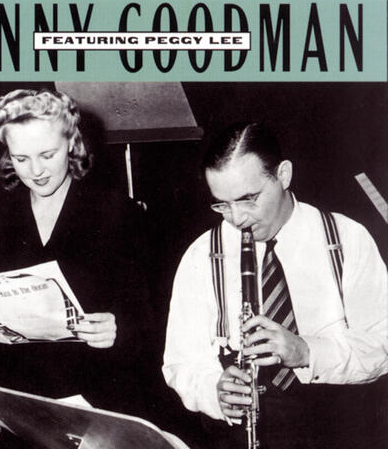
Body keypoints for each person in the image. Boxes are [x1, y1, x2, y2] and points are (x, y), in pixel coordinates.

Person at [0, 89, 154, 418]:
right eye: (21, 159)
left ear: (72, 143)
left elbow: (152, 319)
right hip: (19, 396)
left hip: (98, 394)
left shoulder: (117, 213)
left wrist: (119, 328)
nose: (36, 171)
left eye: (47, 155)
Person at [163, 122, 388, 449]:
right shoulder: (202, 254)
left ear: (283, 175)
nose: (237, 218)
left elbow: (382, 345)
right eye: (222, 204)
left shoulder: (346, 239)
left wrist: (306, 351)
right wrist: (215, 391)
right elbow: (181, 362)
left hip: (341, 430)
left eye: (248, 199)